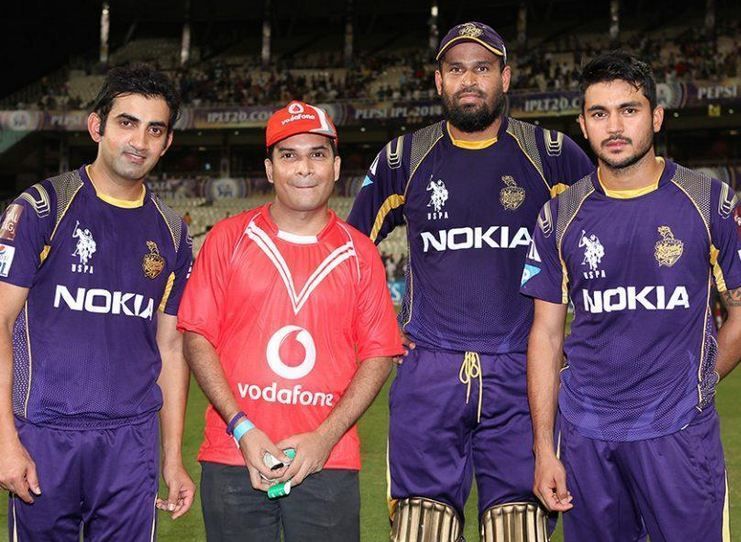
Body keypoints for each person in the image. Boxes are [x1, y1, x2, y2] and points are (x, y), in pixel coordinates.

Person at [347, 21, 593, 541]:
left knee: (519, 529)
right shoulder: (402, 159)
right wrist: (383, 331)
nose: (469, 80)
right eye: (456, 68)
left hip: (523, 371)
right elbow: (352, 254)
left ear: (506, 76)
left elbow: (604, 241)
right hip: (429, 370)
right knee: (421, 529)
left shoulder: (552, 154)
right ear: (438, 80)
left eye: (482, 68)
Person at [522, 51, 740, 541]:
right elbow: (546, 332)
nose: (614, 126)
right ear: (582, 123)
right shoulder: (558, 216)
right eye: (599, 113)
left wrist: (699, 384)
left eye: (629, 110)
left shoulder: (710, 202)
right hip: (586, 434)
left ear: (656, 117)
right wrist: (544, 448)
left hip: (678, 435)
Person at [178, 100, 402, 542]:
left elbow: (379, 354)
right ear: (269, 168)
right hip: (233, 455)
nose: (305, 167)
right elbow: (197, 337)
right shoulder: (228, 238)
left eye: (317, 154)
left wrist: (325, 437)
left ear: (336, 166)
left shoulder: (361, 253)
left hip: (329, 460)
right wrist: (242, 427)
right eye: (289, 155)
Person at [0, 64, 195, 540]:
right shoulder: (42, 207)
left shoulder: (172, 233)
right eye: (126, 123)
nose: (140, 141)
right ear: (97, 126)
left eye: (155, 130)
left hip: (131, 442)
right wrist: (5, 440)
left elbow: (171, 349)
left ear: (167, 142)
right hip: (45, 433)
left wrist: (172, 458)